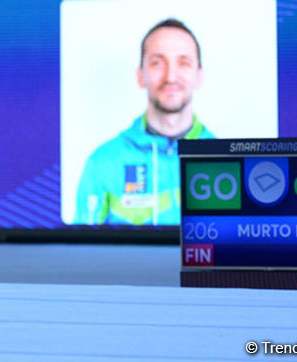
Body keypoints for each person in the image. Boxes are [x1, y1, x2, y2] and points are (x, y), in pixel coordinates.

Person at [73, 18, 214, 226]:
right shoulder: (103, 162)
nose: (171, 76)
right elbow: (80, 255)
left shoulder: (226, 161)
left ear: (199, 76)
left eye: (183, 63)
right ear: (141, 76)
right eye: (157, 62)